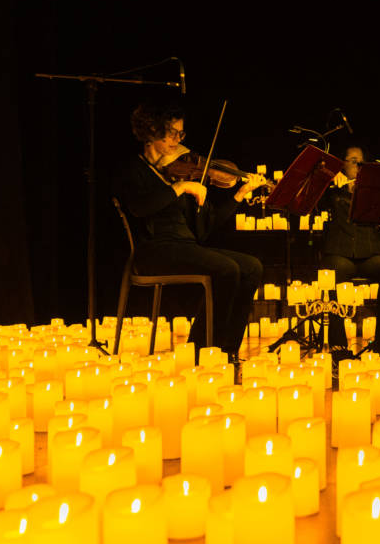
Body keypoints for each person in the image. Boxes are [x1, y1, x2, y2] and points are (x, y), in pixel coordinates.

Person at [114, 101, 270, 362]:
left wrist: (239, 195)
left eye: (180, 133)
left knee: (252, 266)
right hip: (154, 252)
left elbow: (205, 230)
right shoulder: (135, 170)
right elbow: (140, 208)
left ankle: (228, 349)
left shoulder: (180, 172)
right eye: (172, 132)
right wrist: (181, 187)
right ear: (151, 132)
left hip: (186, 247)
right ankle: (202, 352)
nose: (178, 139)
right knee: (227, 269)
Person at [319, 145, 380, 354]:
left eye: (361, 161)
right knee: (334, 271)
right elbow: (314, 200)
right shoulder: (332, 188)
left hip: (369, 251)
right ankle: (338, 344)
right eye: (352, 160)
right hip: (340, 252)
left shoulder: (373, 190)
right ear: (342, 164)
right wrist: (328, 180)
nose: (357, 165)